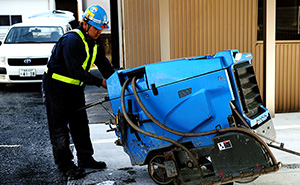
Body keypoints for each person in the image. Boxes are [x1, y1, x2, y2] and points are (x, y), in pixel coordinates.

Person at [42, 5, 115, 179]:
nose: (99, 32)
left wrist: (116, 81)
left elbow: (103, 64)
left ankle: (85, 158)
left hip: (74, 87)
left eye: (101, 29)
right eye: (96, 29)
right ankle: (65, 165)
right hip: (56, 88)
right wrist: (101, 82)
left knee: (80, 123)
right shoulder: (72, 41)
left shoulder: (95, 42)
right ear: (85, 24)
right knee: (59, 128)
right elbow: (76, 71)